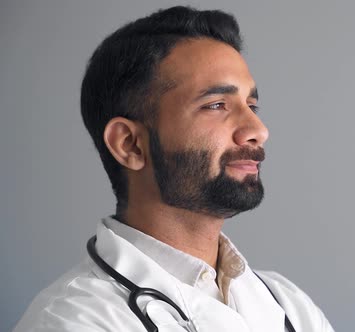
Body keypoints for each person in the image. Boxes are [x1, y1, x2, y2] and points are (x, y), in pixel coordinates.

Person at [14, 6, 334, 332]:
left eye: (251, 106)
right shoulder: (71, 321)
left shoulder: (288, 305)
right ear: (129, 144)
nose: (258, 129)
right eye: (216, 105)